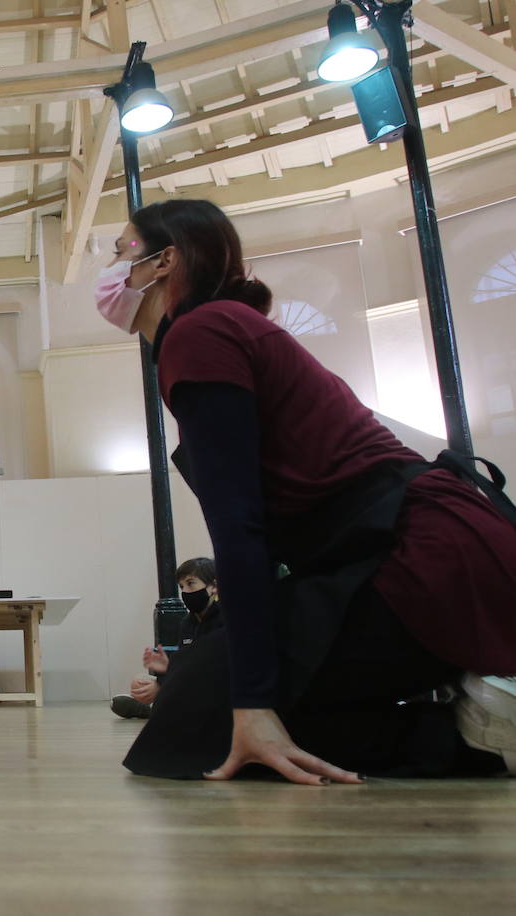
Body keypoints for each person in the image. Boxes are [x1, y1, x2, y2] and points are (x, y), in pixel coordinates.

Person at [96, 199, 516, 784]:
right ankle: (472, 721)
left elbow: (239, 529)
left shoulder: (200, 333)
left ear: (164, 261)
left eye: (123, 251)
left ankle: (486, 731)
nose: (113, 267)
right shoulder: (212, 330)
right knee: (200, 697)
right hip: (419, 551)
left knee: (197, 717)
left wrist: (252, 703)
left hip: (424, 559)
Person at [112, 557, 222, 719]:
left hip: (217, 687)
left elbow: (209, 667)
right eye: (182, 586)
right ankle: (157, 708)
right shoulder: (188, 622)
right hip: (192, 683)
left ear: (213, 586)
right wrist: (166, 671)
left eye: (191, 583)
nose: (185, 591)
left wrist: (164, 682)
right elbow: (184, 662)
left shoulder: (225, 619)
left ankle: (150, 710)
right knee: (140, 681)